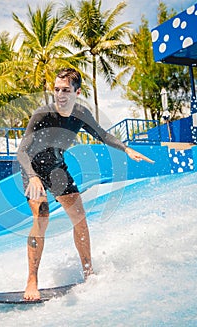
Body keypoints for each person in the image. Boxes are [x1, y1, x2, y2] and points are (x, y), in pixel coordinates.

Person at [17, 68, 154, 301]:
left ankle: (88, 273)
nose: (60, 95)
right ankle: (32, 280)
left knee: (80, 220)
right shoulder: (42, 114)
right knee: (42, 217)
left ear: (77, 92)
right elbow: (21, 151)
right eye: (57, 89)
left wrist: (127, 148)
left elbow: (102, 135)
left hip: (57, 169)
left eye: (66, 90)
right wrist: (32, 176)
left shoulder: (80, 114)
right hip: (32, 169)